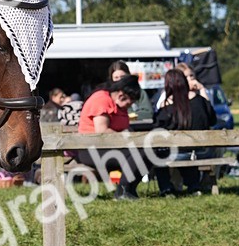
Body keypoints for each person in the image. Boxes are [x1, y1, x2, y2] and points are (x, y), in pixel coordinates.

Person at [77, 71, 144, 198]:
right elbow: (102, 131)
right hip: (91, 149)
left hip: (110, 148)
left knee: (145, 153)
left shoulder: (119, 106)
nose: (130, 105)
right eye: (130, 101)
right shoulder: (101, 100)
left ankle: (127, 190)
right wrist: (128, 139)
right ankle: (123, 191)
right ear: (121, 95)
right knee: (140, 153)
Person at [153, 67, 216, 195]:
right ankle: (193, 186)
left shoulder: (167, 108)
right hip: (203, 152)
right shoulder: (200, 101)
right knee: (186, 148)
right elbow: (213, 120)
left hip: (179, 153)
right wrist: (202, 91)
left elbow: (156, 129)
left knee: (159, 152)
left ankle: (166, 189)